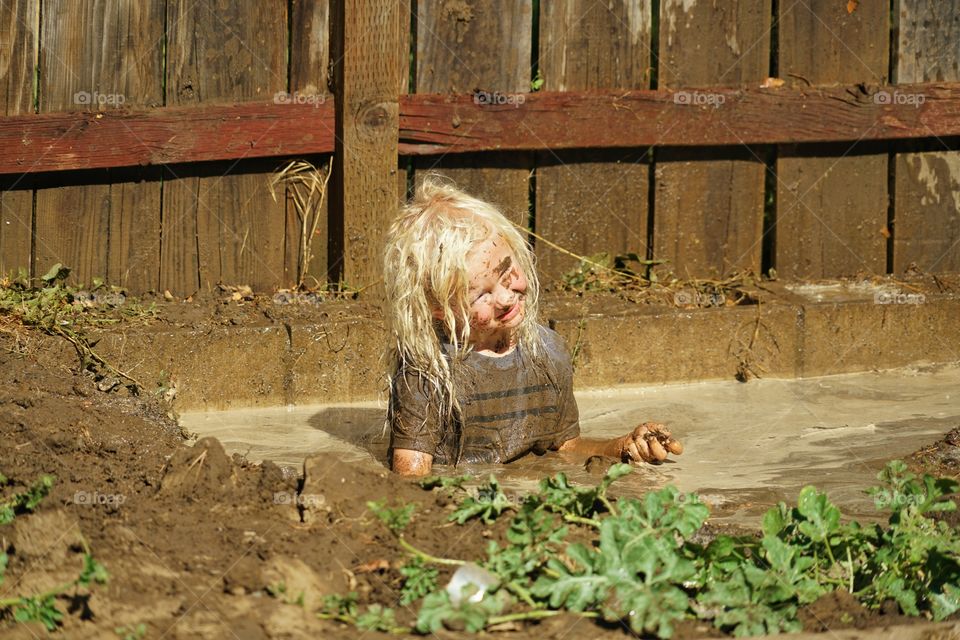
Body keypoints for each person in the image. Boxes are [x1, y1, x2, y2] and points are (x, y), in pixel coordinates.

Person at [383, 174, 682, 476]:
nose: (504, 297)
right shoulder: (427, 374)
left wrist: (622, 447)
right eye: (482, 294)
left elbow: (564, 448)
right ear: (438, 309)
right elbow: (411, 480)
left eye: (506, 272)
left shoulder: (549, 352)